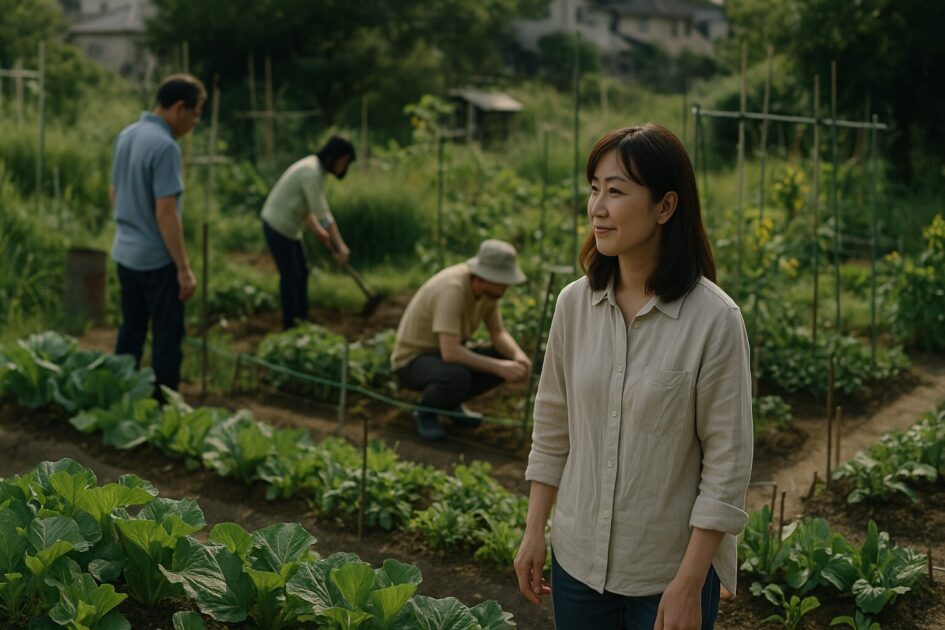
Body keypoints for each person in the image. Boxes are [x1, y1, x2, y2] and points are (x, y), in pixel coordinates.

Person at [514, 124, 753, 630]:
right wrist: (535, 530)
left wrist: (690, 583)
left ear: (666, 207)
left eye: (616, 191)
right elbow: (553, 423)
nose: (597, 207)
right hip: (576, 564)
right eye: (594, 188)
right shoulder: (573, 305)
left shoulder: (714, 320)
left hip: (667, 575)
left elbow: (727, 462)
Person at [110, 73, 206, 399]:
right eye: (195, 113)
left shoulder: (127, 134)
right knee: (166, 336)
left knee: (131, 330)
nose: (195, 122)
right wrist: (183, 267)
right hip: (155, 259)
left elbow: (114, 192)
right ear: (180, 108)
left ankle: (120, 395)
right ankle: (164, 408)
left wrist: (128, 227)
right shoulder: (165, 146)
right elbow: (166, 214)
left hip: (124, 252)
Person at [392, 239, 532, 440]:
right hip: (413, 361)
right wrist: (501, 367)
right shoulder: (453, 290)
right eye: (502, 281)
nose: (506, 287)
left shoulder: (487, 294)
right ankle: (425, 413)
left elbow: (497, 333)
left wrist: (517, 356)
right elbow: (451, 352)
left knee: (500, 355)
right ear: (484, 277)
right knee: (456, 375)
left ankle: (449, 403)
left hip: (441, 356)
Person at [261, 135, 355, 330]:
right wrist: (341, 245)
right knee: (290, 275)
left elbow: (305, 206)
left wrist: (319, 231)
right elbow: (322, 213)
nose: (344, 167)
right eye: (344, 162)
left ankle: (302, 320)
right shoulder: (311, 172)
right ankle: (290, 325)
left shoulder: (314, 170)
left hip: (291, 229)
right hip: (277, 227)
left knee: (302, 272)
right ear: (336, 157)